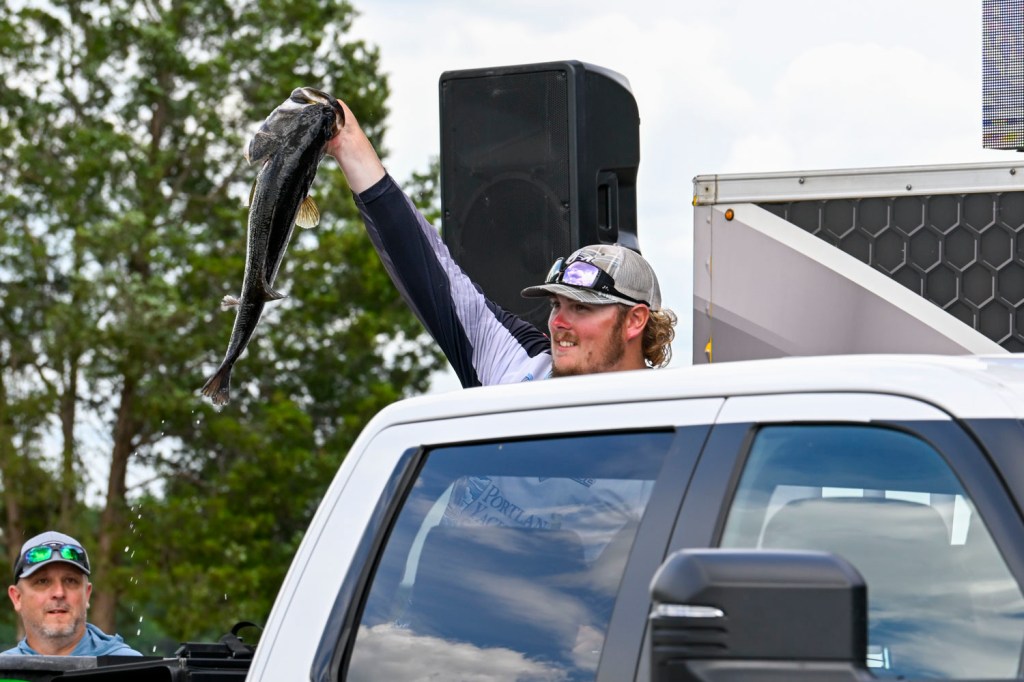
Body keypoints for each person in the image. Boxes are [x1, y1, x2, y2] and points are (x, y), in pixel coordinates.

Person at [324, 99, 677, 389]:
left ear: (635, 320)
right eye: (556, 304)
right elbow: (430, 272)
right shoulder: (520, 365)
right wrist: (347, 143)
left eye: (582, 308)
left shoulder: (674, 411)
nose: (558, 322)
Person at [2, 531, 142, 656]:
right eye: (42, 581)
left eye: (70, 581)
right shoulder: (4, 670)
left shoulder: (130, 667)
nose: (59, 593)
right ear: (17, 598)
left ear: (87, 594)